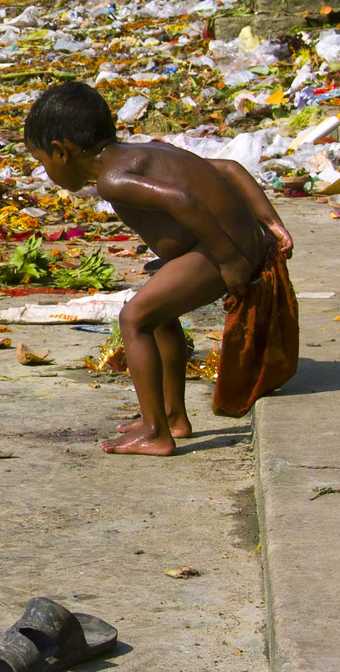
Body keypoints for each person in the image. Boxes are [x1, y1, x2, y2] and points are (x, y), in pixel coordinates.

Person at [23, 82, 297, 457]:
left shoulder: (112, 179)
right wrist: (271, 223)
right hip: (232, 241)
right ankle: (172, 416)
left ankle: (156, 433)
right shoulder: (142, 152)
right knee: (159, 314)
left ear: (61, 152)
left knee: (134, 319)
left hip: (221, 249)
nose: (46, 170)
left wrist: (230, 260)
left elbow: (182, 201)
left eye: (43, 162)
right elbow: (230, 169)